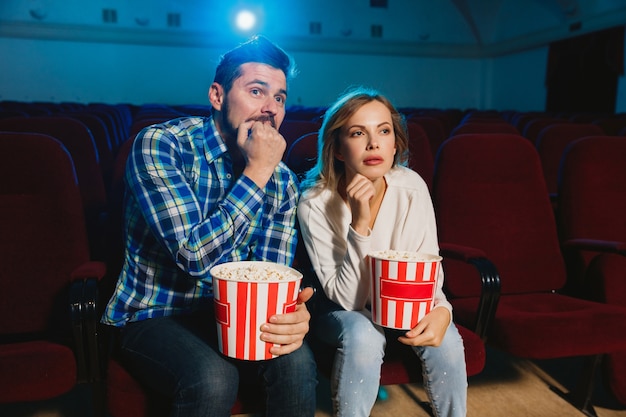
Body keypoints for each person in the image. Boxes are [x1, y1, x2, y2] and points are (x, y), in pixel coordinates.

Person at [101, 35, 317, 417]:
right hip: (156, 314)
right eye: (256, 91)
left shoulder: (282, 180)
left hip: (238, 312)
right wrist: (258, 171)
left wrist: (291, 315)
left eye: (280, 98)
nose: (270, 110)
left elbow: (269, 273)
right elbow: (194, 257)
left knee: (298, 362)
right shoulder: (160, 145)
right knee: (213, 377)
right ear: (217, 96)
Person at [297, 86, 467, 417]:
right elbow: (348, 299)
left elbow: (426, 271)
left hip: (401, 302)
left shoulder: (412, 186)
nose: (374, 144)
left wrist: (443, 310)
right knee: (364, 333)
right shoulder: (314, 202)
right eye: (358, 133)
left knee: (445, 338)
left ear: (394, 143)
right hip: (339, 311)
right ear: (339, 149)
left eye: (384, 131)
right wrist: (360, 224)